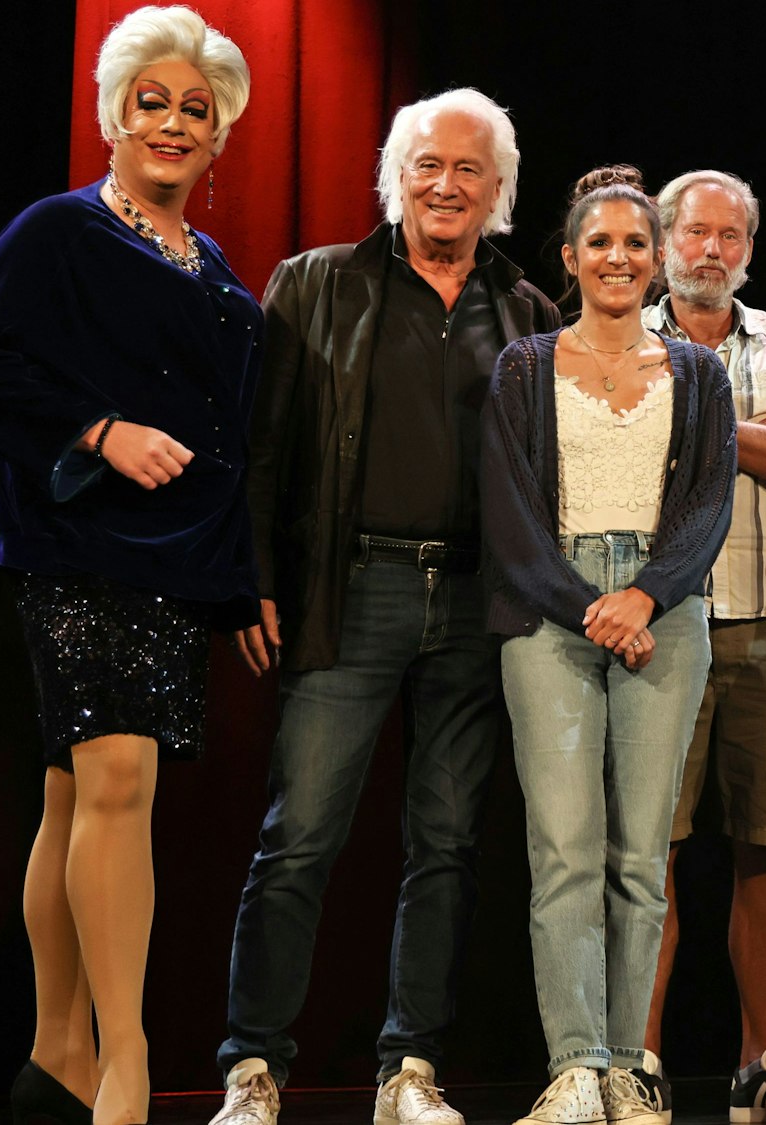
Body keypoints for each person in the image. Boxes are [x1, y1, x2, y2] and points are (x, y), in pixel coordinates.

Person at [0, 7, 255, 1123]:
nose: (172, 121)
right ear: (113, 114)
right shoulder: (57, 230)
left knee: (76, 796)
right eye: (152, 101)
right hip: (78, 545)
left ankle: (57, 1052)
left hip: (175, 557)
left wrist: (241, 576)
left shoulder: (207, 260)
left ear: (218, 140)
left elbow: (227, 435)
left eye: (195, 110)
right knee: (116, 785)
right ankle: (126, 1063)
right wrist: (97, 429)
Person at [210, 88, 560, 1125]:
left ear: (496, 190)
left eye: (467, 170)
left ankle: (409, 1070)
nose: (445, 185)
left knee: (447, 844)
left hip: (472, 603)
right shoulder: (317, 283)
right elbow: (262, 444)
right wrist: (254, 577)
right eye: (426, 166)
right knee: (300, 835)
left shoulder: (528, 310)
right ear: (394, 177)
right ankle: (251, 1066)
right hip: (347, 590)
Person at [483, 168, 738, 1125]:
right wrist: (590, 603)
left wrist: (645, 594)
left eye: (637, 244)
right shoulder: (525, 366)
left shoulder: (700, 374)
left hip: (663, 611)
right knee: (565, 851)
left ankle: (629, 1062)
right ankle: (576, 1065)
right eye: (601, 244)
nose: (620, 259)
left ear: (660, 256)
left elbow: (710, 504)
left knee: (642, 854)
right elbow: (508, 512)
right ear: (569, 258)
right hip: (552, 614)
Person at [639, 170, 766, 1122]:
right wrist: (741, 434)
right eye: (694, 234)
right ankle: (636, 1060)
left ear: (750, 251)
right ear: (664, 242)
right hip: (657, 623)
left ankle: (760, 1061)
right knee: (655, 851)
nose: (711, 250)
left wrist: (692, 423)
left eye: (730, 236)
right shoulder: (624, 337)